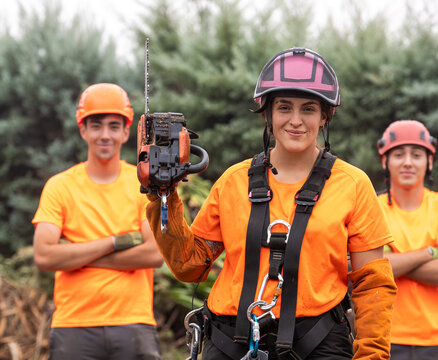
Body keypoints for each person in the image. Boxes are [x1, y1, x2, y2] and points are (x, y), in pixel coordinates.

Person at [146, 47, 397, 360]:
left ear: (325, 116)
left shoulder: (353, 185)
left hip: (319, 344)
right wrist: (162, 194)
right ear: (267, 113)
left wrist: (372, 355)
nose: (295, 120)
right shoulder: (233, 182)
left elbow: (372, 283)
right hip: (230, 342)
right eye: (284, 108)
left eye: (308, 109)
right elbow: (190, 265)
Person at [32, 83, 164, 360]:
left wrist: (76, 255)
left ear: (126, 132)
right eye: (96, 125)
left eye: (114, 126)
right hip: (73, 327)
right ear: (83, 130)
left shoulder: (144, 186)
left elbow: (154, 253)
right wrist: (117, 242)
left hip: (134, 324)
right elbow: (44, 255)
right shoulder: (60, 187)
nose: (105, 135)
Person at [376, 120, 438, 360]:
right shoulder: (371, 209)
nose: (408, 162)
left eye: (417, 155)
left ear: (429, 162)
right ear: (384, 161)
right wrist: (429, 253)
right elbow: (359, 267)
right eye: (398, 154)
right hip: (381, 340)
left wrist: (391, 262)